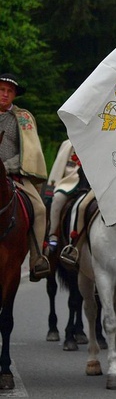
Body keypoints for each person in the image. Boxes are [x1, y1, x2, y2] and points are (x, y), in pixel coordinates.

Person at [0, 72, 50, 281]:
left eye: (9, 91)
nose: (4, 94)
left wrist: (5, 166)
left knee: (39, 209)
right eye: (1, 90)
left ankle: (37, 259)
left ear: (14, 95)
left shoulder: (23, 119)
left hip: (14, 176)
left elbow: (28, 153)